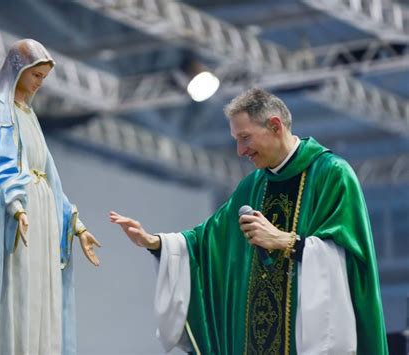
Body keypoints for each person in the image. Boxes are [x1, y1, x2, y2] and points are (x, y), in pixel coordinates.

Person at [110, 88, 388, 354]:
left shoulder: (332, 175)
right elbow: (207, 242)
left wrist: (286, 241)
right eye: (236, 140)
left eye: (245, 138)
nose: (240, 151)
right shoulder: (253, 186)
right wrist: (157, 243)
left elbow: (351, 263)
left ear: (275, 126)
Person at [0, 39, 101, 355]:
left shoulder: (27, 113)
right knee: (20, 291)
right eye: (36, 76)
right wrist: (15, 206)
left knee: (43, 295)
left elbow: (49, 174)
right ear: (18, 70)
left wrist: (76, 223)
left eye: (43, 77)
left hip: (43, 215)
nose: (40, 84)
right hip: (19, 217)